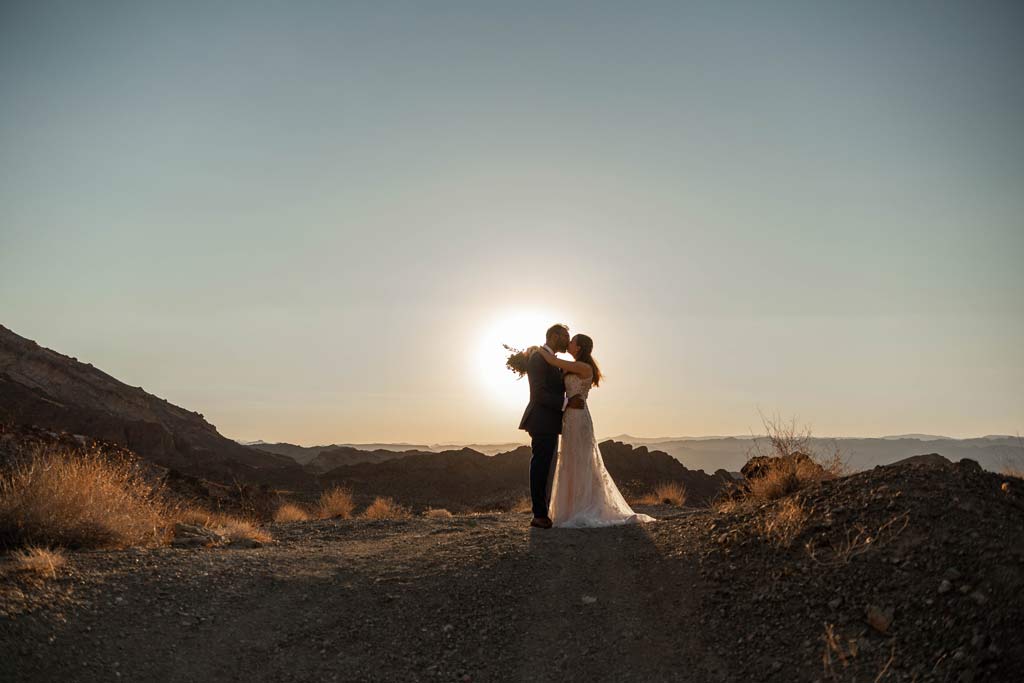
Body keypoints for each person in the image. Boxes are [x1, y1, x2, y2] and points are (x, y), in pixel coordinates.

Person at [535, 334, 655, 527]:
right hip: (569, 417)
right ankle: (571, 506)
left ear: (579, 347)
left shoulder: (583, 367)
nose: (569, 344)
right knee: (570, 458)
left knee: (581, 459)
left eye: (572, 342)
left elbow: (552, 360)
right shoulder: (575, 364)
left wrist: (536, 349)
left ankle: (584, 505)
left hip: (579, 418)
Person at [517, 324, 584, 529]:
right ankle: (538, 514)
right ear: (554, 336)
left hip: (549, 421)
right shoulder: (538, 358)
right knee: (540, 467)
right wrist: (566, 403)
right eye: (566, 336)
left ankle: (543, 511)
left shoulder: (550, 359)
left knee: (546, 467)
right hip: (541, 420)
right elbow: (538, 393)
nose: (567, 340)